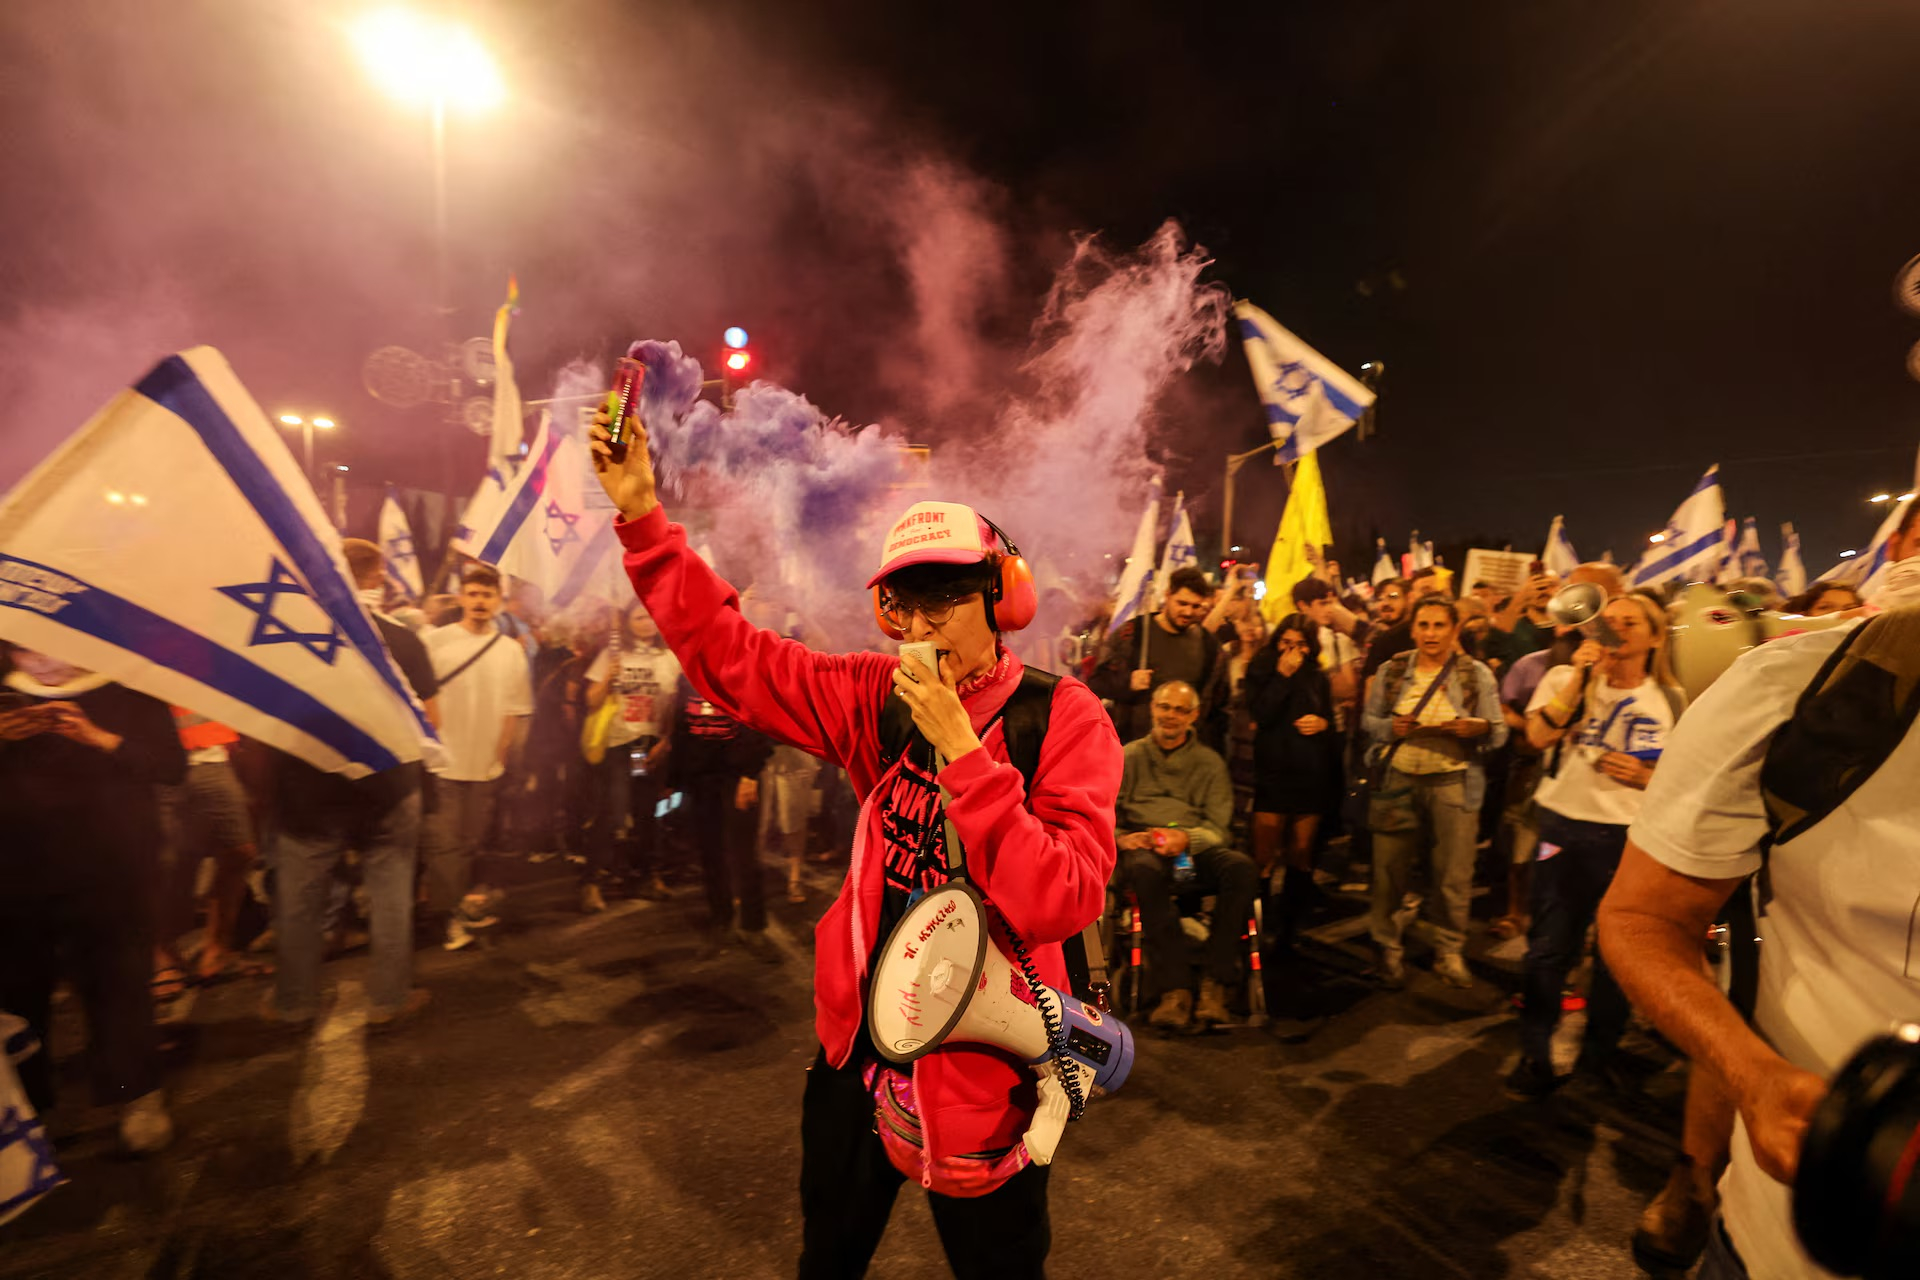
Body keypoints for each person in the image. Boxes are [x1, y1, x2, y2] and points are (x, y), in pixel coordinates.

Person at [590, 403, 1122, 1280]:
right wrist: (645, 519)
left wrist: (963, 752)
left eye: (949, 596)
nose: (922, 624)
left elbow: (1062, 898)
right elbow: (734, 659)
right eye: (904, 603)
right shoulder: (873, 694)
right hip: (857, 1057)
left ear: (1003, 597)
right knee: (826, 1259)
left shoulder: (1063, 716)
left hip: (987, 1070)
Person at [1597, 605, 1920, 1279]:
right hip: (1787, 1247)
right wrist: (1756, 1077)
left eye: (1628, 622)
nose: (1612, 631)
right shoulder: (1813, 689)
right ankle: (1691, 1177)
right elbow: (1642, 918)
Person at [0, 645, 186, 1153]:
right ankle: (33, 1109)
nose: (41, 662)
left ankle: (135, 1094)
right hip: (15, 877)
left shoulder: (126, 685)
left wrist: (100, 738)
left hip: (110, 870)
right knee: (20, 995)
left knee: (118, 986)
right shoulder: (5, 693)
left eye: (49, 647)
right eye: (23, 651)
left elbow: (171, 766)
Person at [1505, 593, 1683, 1100]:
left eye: (1631, 623)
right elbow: (1538, 737)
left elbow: (1682, 776)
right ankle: (1534, 1053)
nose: (1617, 630)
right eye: (1610, 622)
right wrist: (1581, 678)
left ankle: (1599, 1055)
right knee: (1547, 949)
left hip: (1629, 839)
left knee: (1615, 957)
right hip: (1562, 830)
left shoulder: (1672, 698)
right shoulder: (1566, 679)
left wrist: (1648, 776)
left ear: (1654, 636)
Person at [266, 538, 437, 1024]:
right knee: (389, 893)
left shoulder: (290, 640)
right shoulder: (402, 640)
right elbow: (432, 722)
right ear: (378, 577)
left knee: (299, 900)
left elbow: (267, 724)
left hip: (307, 789)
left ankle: (294, 1003)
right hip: (388, 788)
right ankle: (389, 997)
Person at [1361, 597, 1507, 989]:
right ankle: (1387, 949)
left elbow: (1499, 729)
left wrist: (1476, 728)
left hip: (1454, 783)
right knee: (1390, 872)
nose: (1430, 633)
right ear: (1413, 630)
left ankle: (1448, 951)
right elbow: (1368, 722)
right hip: (1398, 781)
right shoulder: (1392, 672)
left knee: (1453, 876)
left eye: (1439, 625)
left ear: (1453, 630)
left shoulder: (1475, 675)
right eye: (1423, 625)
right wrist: (1393, 729)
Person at [1115, 681, 1248, 1031]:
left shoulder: (1209, 763)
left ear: (1194, 716)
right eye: (1165, 707)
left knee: (1241, 869)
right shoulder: (1129, 756)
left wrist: (1185, 839)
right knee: (1144, 872)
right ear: (1152, 709)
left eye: (1180, 710)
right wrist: (1122, 838)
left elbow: (1219, 828)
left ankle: (1215, 983)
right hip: (1143, 847)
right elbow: (1102, 813)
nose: (1171, 716)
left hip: (1191, 848)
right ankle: (1175, 989)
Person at [423, 563, 533, 951]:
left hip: (485, 764)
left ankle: (453, 904)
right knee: (446, 842)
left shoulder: (510, 652)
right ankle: (450, 915)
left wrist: (502, 756)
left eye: (487, 595)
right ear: (461, 598)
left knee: (470, 841)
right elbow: (419, 698)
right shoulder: (434, 642)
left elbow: (515, 710)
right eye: (473, 593)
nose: (480, 601)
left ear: (499, 601)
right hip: (443, 760)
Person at [1243, 613, 1338, 947]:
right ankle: (1260, 925)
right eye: (1286, 643)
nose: (1293, 651)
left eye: (1300, 645)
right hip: (1273, 771)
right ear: (1276, 642)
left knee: (1301, 854)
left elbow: (1330, 720)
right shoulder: (1261, 669)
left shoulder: (1318, 676)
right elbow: (1261, 713)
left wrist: (1322, 724)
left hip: (1310, 773)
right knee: (1264, 857)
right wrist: (1282, 676)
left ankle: (1290, 929)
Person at [580, 599, 681, 912]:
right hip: (619, 745)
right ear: (627, 622)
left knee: (648, 812)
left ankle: (648, 875)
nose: (647, 622)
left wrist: (666, 742)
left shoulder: (669, 658)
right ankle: (592, 882)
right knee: (612, 811)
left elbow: (675, 706)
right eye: (639, 617)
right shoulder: (613, 655)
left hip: (647, 746)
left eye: (651, 616)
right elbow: (591, 700)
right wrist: (608, 676)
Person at [669, 677, 776, 958]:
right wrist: (673, 778)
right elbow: (681, 728)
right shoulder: (687, 677)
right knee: (710, 853)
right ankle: (721, 919)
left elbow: (762, 722)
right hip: (700, 779)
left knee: (744, 855)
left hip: (736, 777)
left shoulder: (742, 673)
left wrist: (750, 774)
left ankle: (753, 927)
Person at [1089, 565, 1217, 742]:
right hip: (1134, 744)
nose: (1188, 612)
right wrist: (1128, 682)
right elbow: (1097, 682)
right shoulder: (1133, 634)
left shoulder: (1208, 645)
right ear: (1168, 595)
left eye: (1195, 606)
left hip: (1186, 750)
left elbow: (1217, 704)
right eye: (1182, 603)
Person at [1781, 579, 1861, 616]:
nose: (1838, 613)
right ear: (1806, 614)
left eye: (1849, 609)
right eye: (1825, 607)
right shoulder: (1778, 647)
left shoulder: (1869, 647)